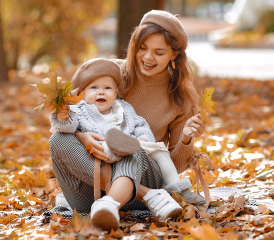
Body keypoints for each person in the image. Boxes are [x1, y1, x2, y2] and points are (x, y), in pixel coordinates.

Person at [49, 10, 209, 230]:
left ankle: (122, 199)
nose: (147, 57)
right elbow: (73, 109)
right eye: (142, 48)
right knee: (58, 140)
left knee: (131, 146)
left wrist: (186, 139)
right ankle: (123, 202)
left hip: (141, 176)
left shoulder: (181, 96)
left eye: (159, 52)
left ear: (174, 55)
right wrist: (80, 135)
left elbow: (174, 166)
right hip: (91, 188)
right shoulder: (112, 75)